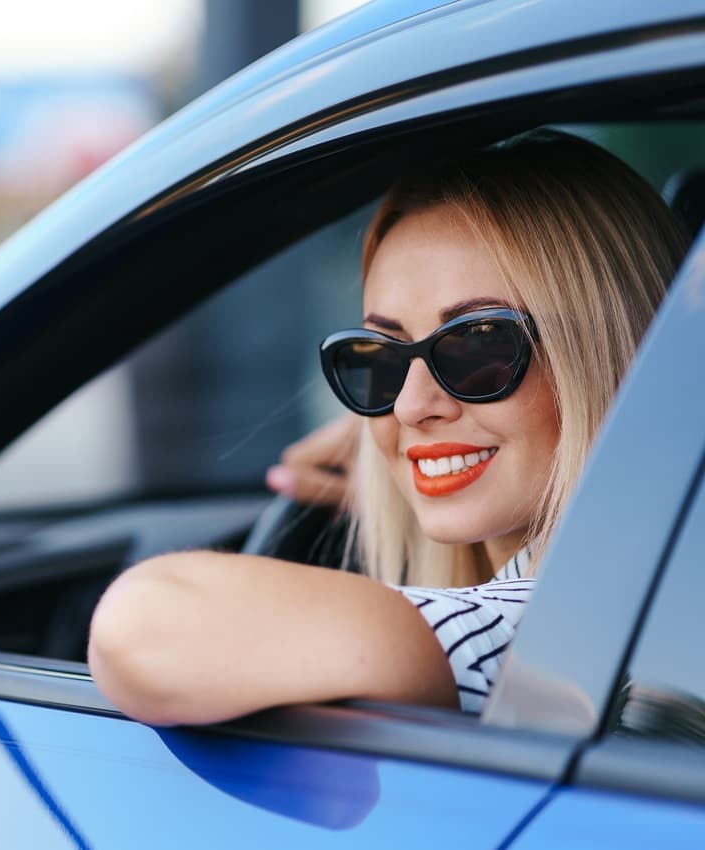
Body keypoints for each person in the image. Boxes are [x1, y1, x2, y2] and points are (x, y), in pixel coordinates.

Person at [87, 130, 688, 725]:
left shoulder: (533, 633)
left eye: (478, 346)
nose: (407, 406)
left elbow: (138, 627)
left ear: (616, 354)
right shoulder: (661, 600)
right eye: (377, 360)